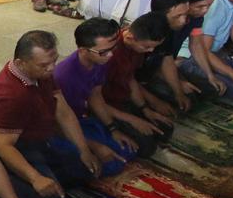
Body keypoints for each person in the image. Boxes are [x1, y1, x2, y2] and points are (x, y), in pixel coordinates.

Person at [0, 30, 106, 198]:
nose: (52, 68)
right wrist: (35, 178)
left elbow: (63, 112)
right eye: (44, 65)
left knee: (88, 168)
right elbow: (3, 146)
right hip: (18, 147)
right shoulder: (11, 95)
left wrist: (83, 149)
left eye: (54, 61)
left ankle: (42, 174)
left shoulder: (41, 73)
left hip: (41, 140)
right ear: (21, 63)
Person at [53, 17, 157, 169]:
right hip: (62, 128)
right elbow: (56, 123)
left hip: (83, 120)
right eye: (104, 52)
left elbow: (95, 96)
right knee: (107, 164)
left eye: (113, 49)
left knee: (130, 149)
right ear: (83, 50)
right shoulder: (62, 76)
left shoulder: (100, 61)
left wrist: (112, 129)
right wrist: (93, 146)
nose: (110, 55)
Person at [101, 10, 176, 147]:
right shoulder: (107, 55)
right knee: (146, 145)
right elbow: (93, 99)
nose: (151, 51)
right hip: (103, 107)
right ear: (129, 37)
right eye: (147, 47)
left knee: (165, 129)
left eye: (153, 47)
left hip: (122, 99)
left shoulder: (135, 48)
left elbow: (130, 79)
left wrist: (145, 109)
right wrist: (131, 119)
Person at [147, 0, 215, 110]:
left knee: (207, 90)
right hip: (153, 73)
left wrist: (209, 75)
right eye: (178, 16)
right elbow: (154, 65)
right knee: (185, 102)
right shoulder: (157, 31)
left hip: (169, 66)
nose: (184, 21)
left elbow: (195, 45)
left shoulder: (193, 19)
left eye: (209, 5)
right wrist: (179, 86)